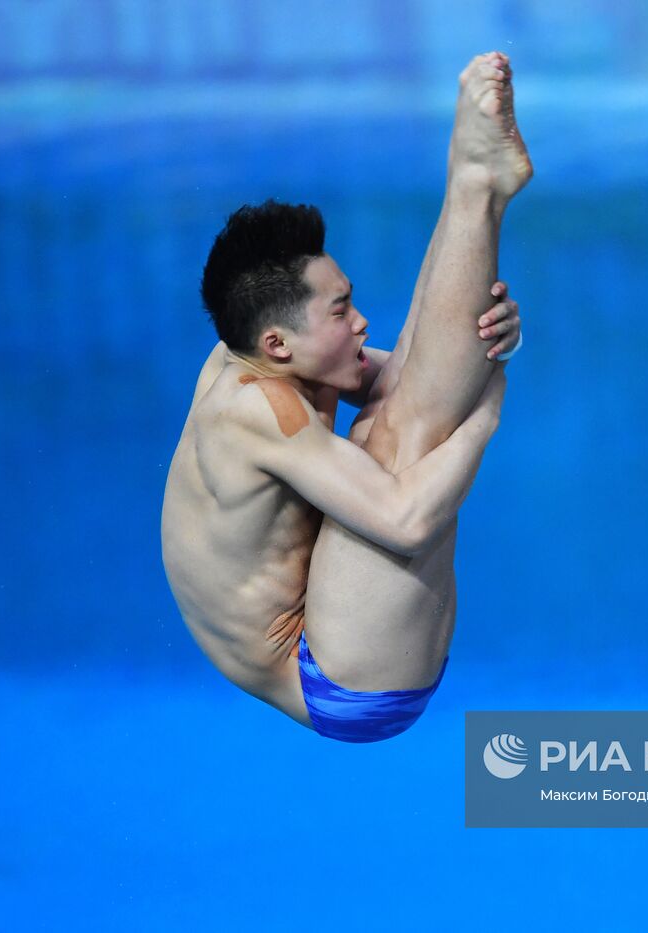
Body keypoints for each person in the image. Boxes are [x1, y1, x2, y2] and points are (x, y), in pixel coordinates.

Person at [161, 52, 532, 742]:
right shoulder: (254, 410)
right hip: (342, 679)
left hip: (350, 620)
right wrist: (487, 412)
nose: (360, 321)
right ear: (278, 344)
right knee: (391, 441)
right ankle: (478, 185)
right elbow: (407, 518)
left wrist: (498, 344)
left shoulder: (257, 348)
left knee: (408, 399)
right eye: (340, 311)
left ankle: (469, 181)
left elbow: (416, 373)